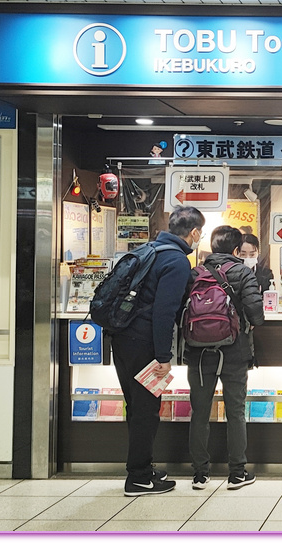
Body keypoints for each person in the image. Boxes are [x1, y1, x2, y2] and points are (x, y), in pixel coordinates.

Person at [110, 205, 205, 496]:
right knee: (146, 411)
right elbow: (164, 314)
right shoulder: (176, 261)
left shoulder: (148, 250)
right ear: (195, 232)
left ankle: (143, 467)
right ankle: (138, 477)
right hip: (144, 344)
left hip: (122, 338)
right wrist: (164, 357)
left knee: (137, 407)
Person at [186, 226, 265, 490]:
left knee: (199, 412)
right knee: (235, 411)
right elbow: (256, 315)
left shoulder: (195, 273)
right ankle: (237, 473)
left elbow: (180, 313)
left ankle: (200, 474)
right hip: (234, 351)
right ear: (235, 250)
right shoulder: (242, 272)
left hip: (198, 353)